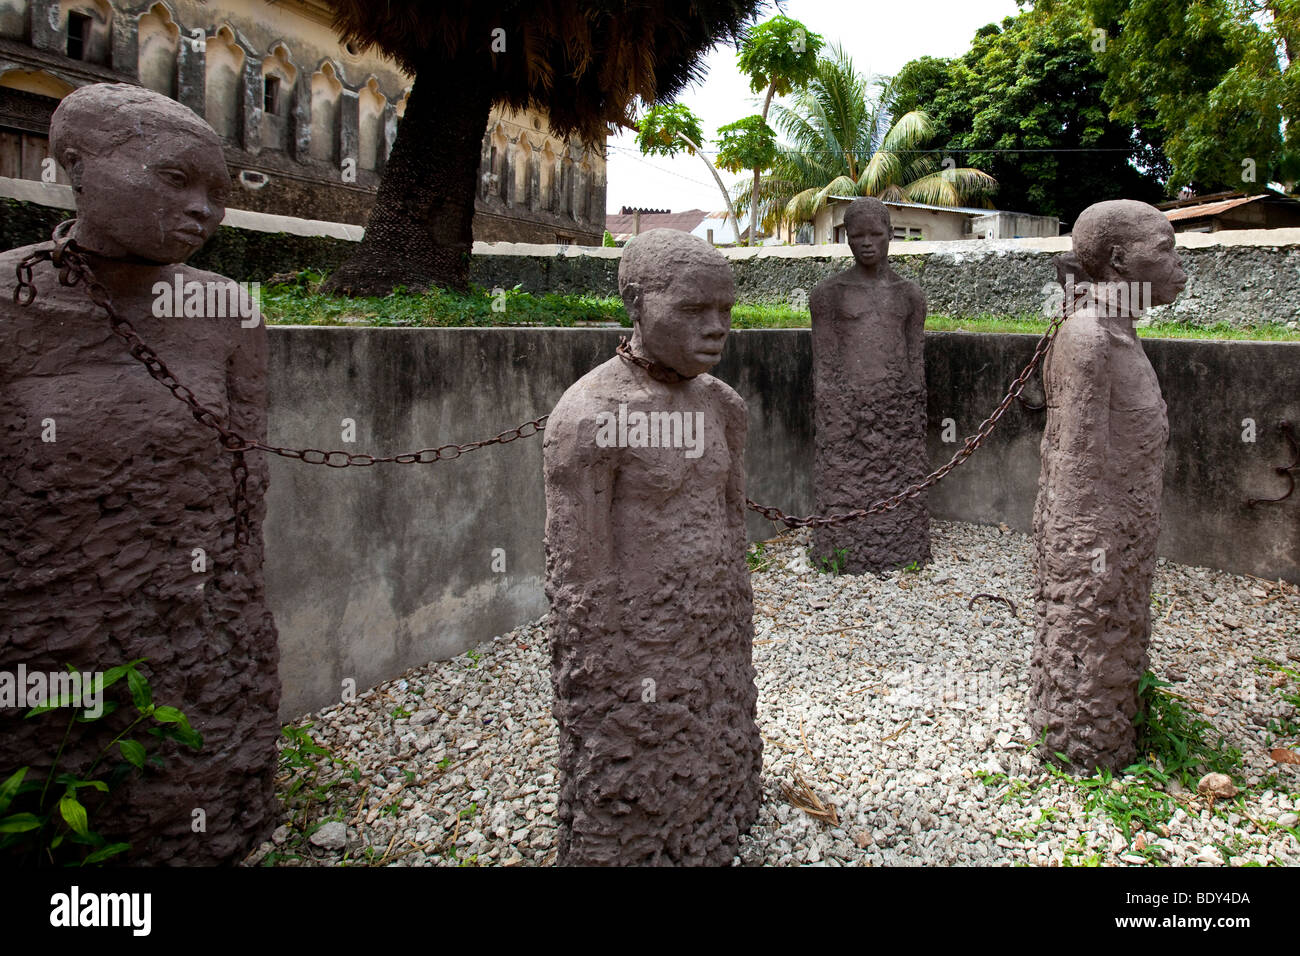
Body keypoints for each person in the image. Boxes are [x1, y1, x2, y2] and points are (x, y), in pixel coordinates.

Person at [0, 84, 279, 864]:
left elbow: (247, 487)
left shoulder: (228, 313)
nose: (203, 210)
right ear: (77, 166)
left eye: (217, 192)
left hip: (200, 623)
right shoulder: (9, 302)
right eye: (175, 179)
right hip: (47, 638)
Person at [543, 228, 761, 865]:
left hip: (714, 639)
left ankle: (725, 809)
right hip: (642, 648)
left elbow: (733, 524)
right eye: (692, 309)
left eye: (725, 309)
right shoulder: (590, 417)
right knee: (642, 775)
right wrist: (607, 673)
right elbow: (578, 572)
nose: (716, 327)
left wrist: (734, 618)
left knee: (716, 741)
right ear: (636, 303)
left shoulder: (723, 407)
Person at [1029, 199, 1186, 770]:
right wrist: (1093, 578)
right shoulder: (1089, 337)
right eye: (1164, 250)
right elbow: (1076, 477)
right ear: (1119, 260)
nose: (1177, 264)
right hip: (1097, 564)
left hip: (1124, 550)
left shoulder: (1119, 329)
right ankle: (1083, 737)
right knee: (1096, 657)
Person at [809, 197, 929, 573]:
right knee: (846, 489)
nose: (866, 243)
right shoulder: (828, 295)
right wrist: (840, 420)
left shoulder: (910, 296)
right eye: (857, 235)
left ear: (890, 234)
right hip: (848, 420)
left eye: (875, 234)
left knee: (897, 488)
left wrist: (904, 421)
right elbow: (825, 369)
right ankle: (842, 549)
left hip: (896, 420)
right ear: (846, 237)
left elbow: (915, 367)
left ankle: (904, 544)